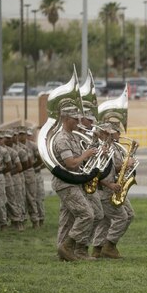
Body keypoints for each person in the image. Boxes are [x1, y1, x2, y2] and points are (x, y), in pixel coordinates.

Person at [52, 107, 100, 261]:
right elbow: (71, 163)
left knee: (67, 220)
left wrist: (94, 154)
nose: (78, 122)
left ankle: (64, 253)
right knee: (87, 214)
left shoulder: (72, 137)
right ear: (66, 119)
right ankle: (67, 246)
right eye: (75, 119)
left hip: (73, 181)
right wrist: (85, 154)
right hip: (65, 182)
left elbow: (80, 161)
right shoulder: (62, 139)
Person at [90, 124, 134, 259]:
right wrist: (110, 185)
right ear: (103, 134)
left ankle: (98, 248)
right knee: (122, 217)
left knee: (108, 219)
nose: (118, 134)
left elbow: (115, 167)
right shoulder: (100, 148)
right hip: (105, 190)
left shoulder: (113, 147)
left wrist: (128, 161)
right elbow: (94, 173)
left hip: (113, 187)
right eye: (114, 133)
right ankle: (109, 246)